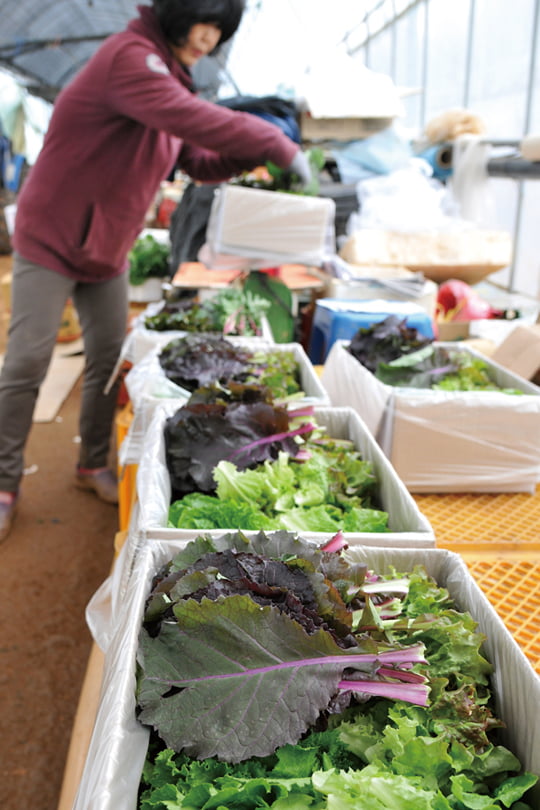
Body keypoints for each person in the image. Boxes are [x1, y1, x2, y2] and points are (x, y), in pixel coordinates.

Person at [0, 0, 312, 542]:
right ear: (175, 12)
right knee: (27, 361)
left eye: (221, 29)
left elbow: (197, 159)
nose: (209, 37)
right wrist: (274, 141)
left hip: (107, 249)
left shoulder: (172, 81)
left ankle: (92, 464)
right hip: (51, 237)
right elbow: (194, 119)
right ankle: (4, 484)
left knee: (106, 361)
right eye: (203, 21)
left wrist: (248, 158)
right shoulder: (131, 60)